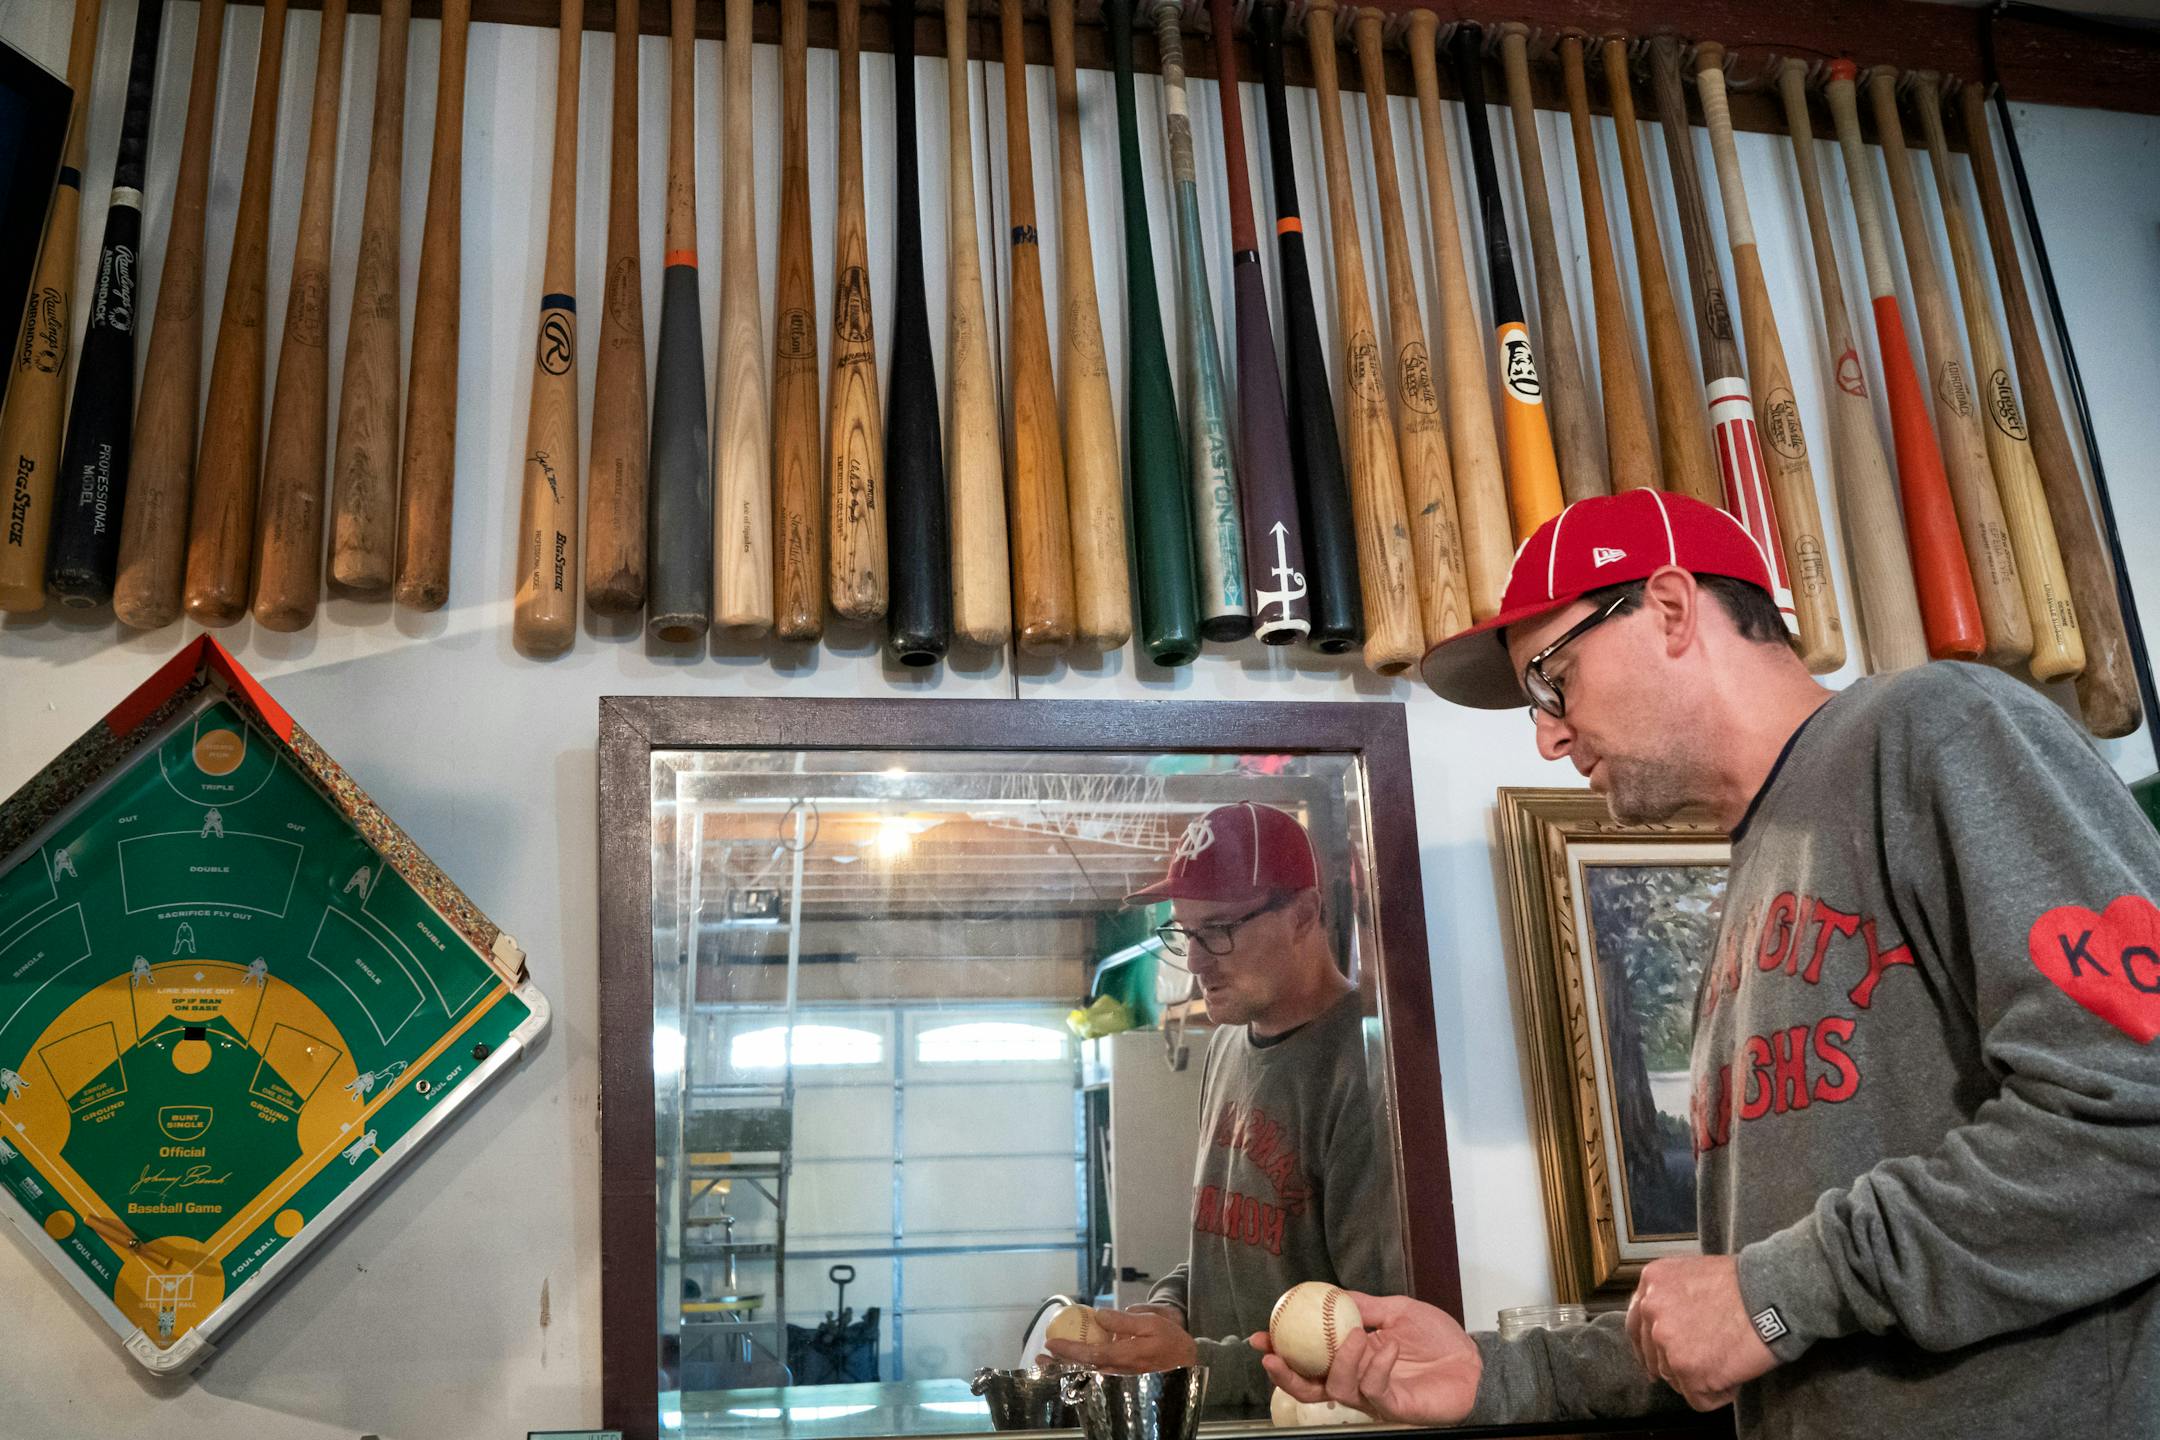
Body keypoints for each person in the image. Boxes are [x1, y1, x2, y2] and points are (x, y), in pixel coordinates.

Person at [1260, 489, 2160, 1437]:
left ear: (1671, 608)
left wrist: (1775, 1293)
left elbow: (2136, 1111)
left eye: (1551, 680)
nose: (1548, 733)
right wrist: (1497, 1375)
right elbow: (1752, 1316)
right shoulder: (1753, 882)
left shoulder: (1937, 727)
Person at [1047, 801, 1406, 1408]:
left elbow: (1374, 1338)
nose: (1194, 960)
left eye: (1217, 929)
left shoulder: (1367, 1071)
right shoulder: (1227, 1046)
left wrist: (1195, 1363)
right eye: (1185, 932)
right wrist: (1169, 1307)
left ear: (1303, 914)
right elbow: (1228, 1255)